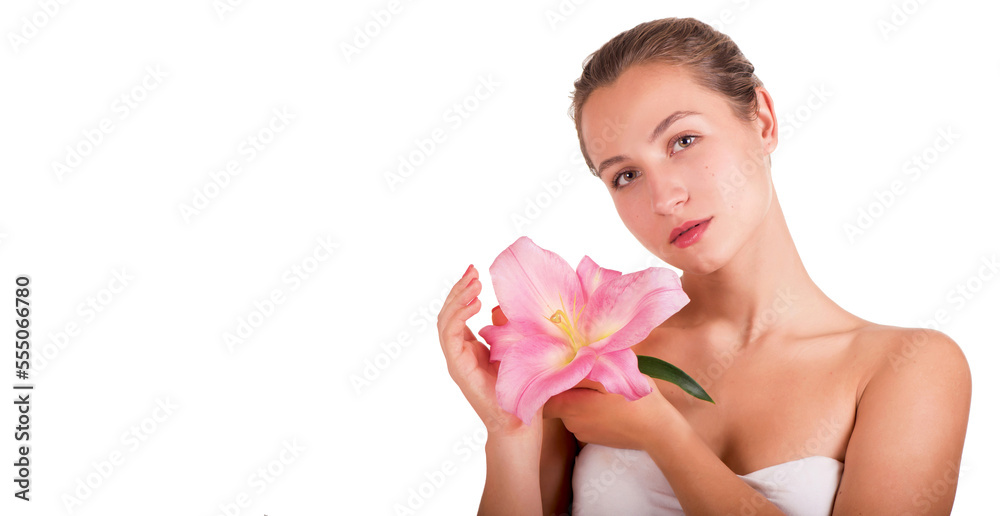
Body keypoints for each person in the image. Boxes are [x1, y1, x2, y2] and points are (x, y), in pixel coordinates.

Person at [437, 16, 971, 515]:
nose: (664, 198)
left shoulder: (906, 367)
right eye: (625, 175)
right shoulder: (593, 361)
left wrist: (662, 434)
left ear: (763, 120)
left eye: (683, 141)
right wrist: (509, 431)